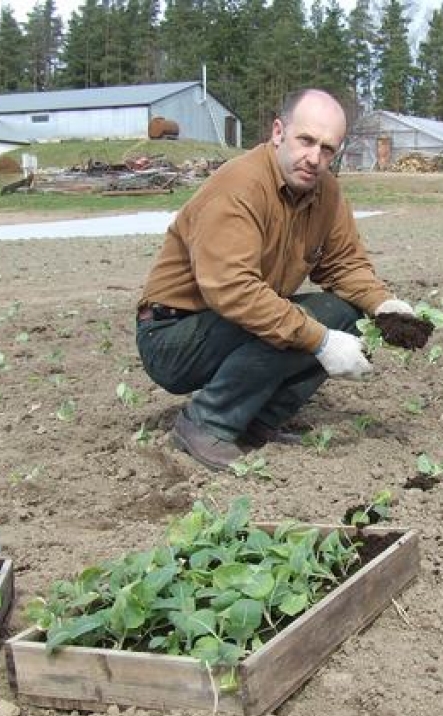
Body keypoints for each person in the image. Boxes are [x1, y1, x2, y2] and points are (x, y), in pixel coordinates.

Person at [135, 88, 414, 471]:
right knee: (313, 328)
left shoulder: (325, 193)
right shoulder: (239, 187)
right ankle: (206, 423)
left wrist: (384, 305)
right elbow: (232, 290)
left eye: (328, 149)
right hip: (174, 334)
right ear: (279, 132)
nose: (315, 158)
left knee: (345, 312)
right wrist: (321, 341)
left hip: (232, 321)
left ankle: (256, 423)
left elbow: (343, 264)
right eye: (306, 140)